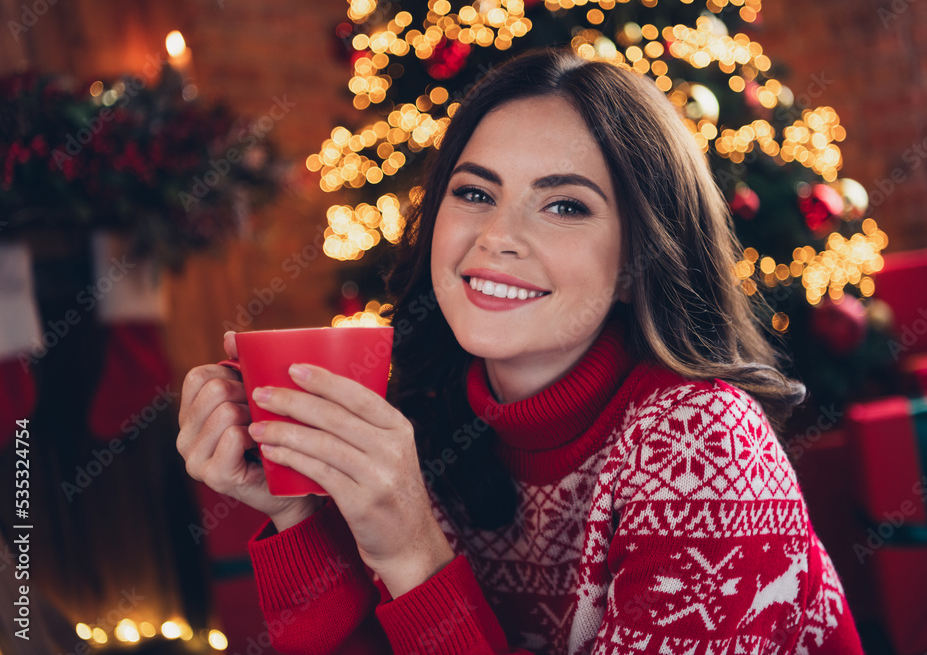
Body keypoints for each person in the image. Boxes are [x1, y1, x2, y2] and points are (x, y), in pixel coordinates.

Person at [177, 46, 865, 654]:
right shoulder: (424, 424)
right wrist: (295, 513)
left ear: (635, 262)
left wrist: (416, 550)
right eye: (475, 192)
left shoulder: (706, 445)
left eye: (565, 205)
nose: (497, 236)